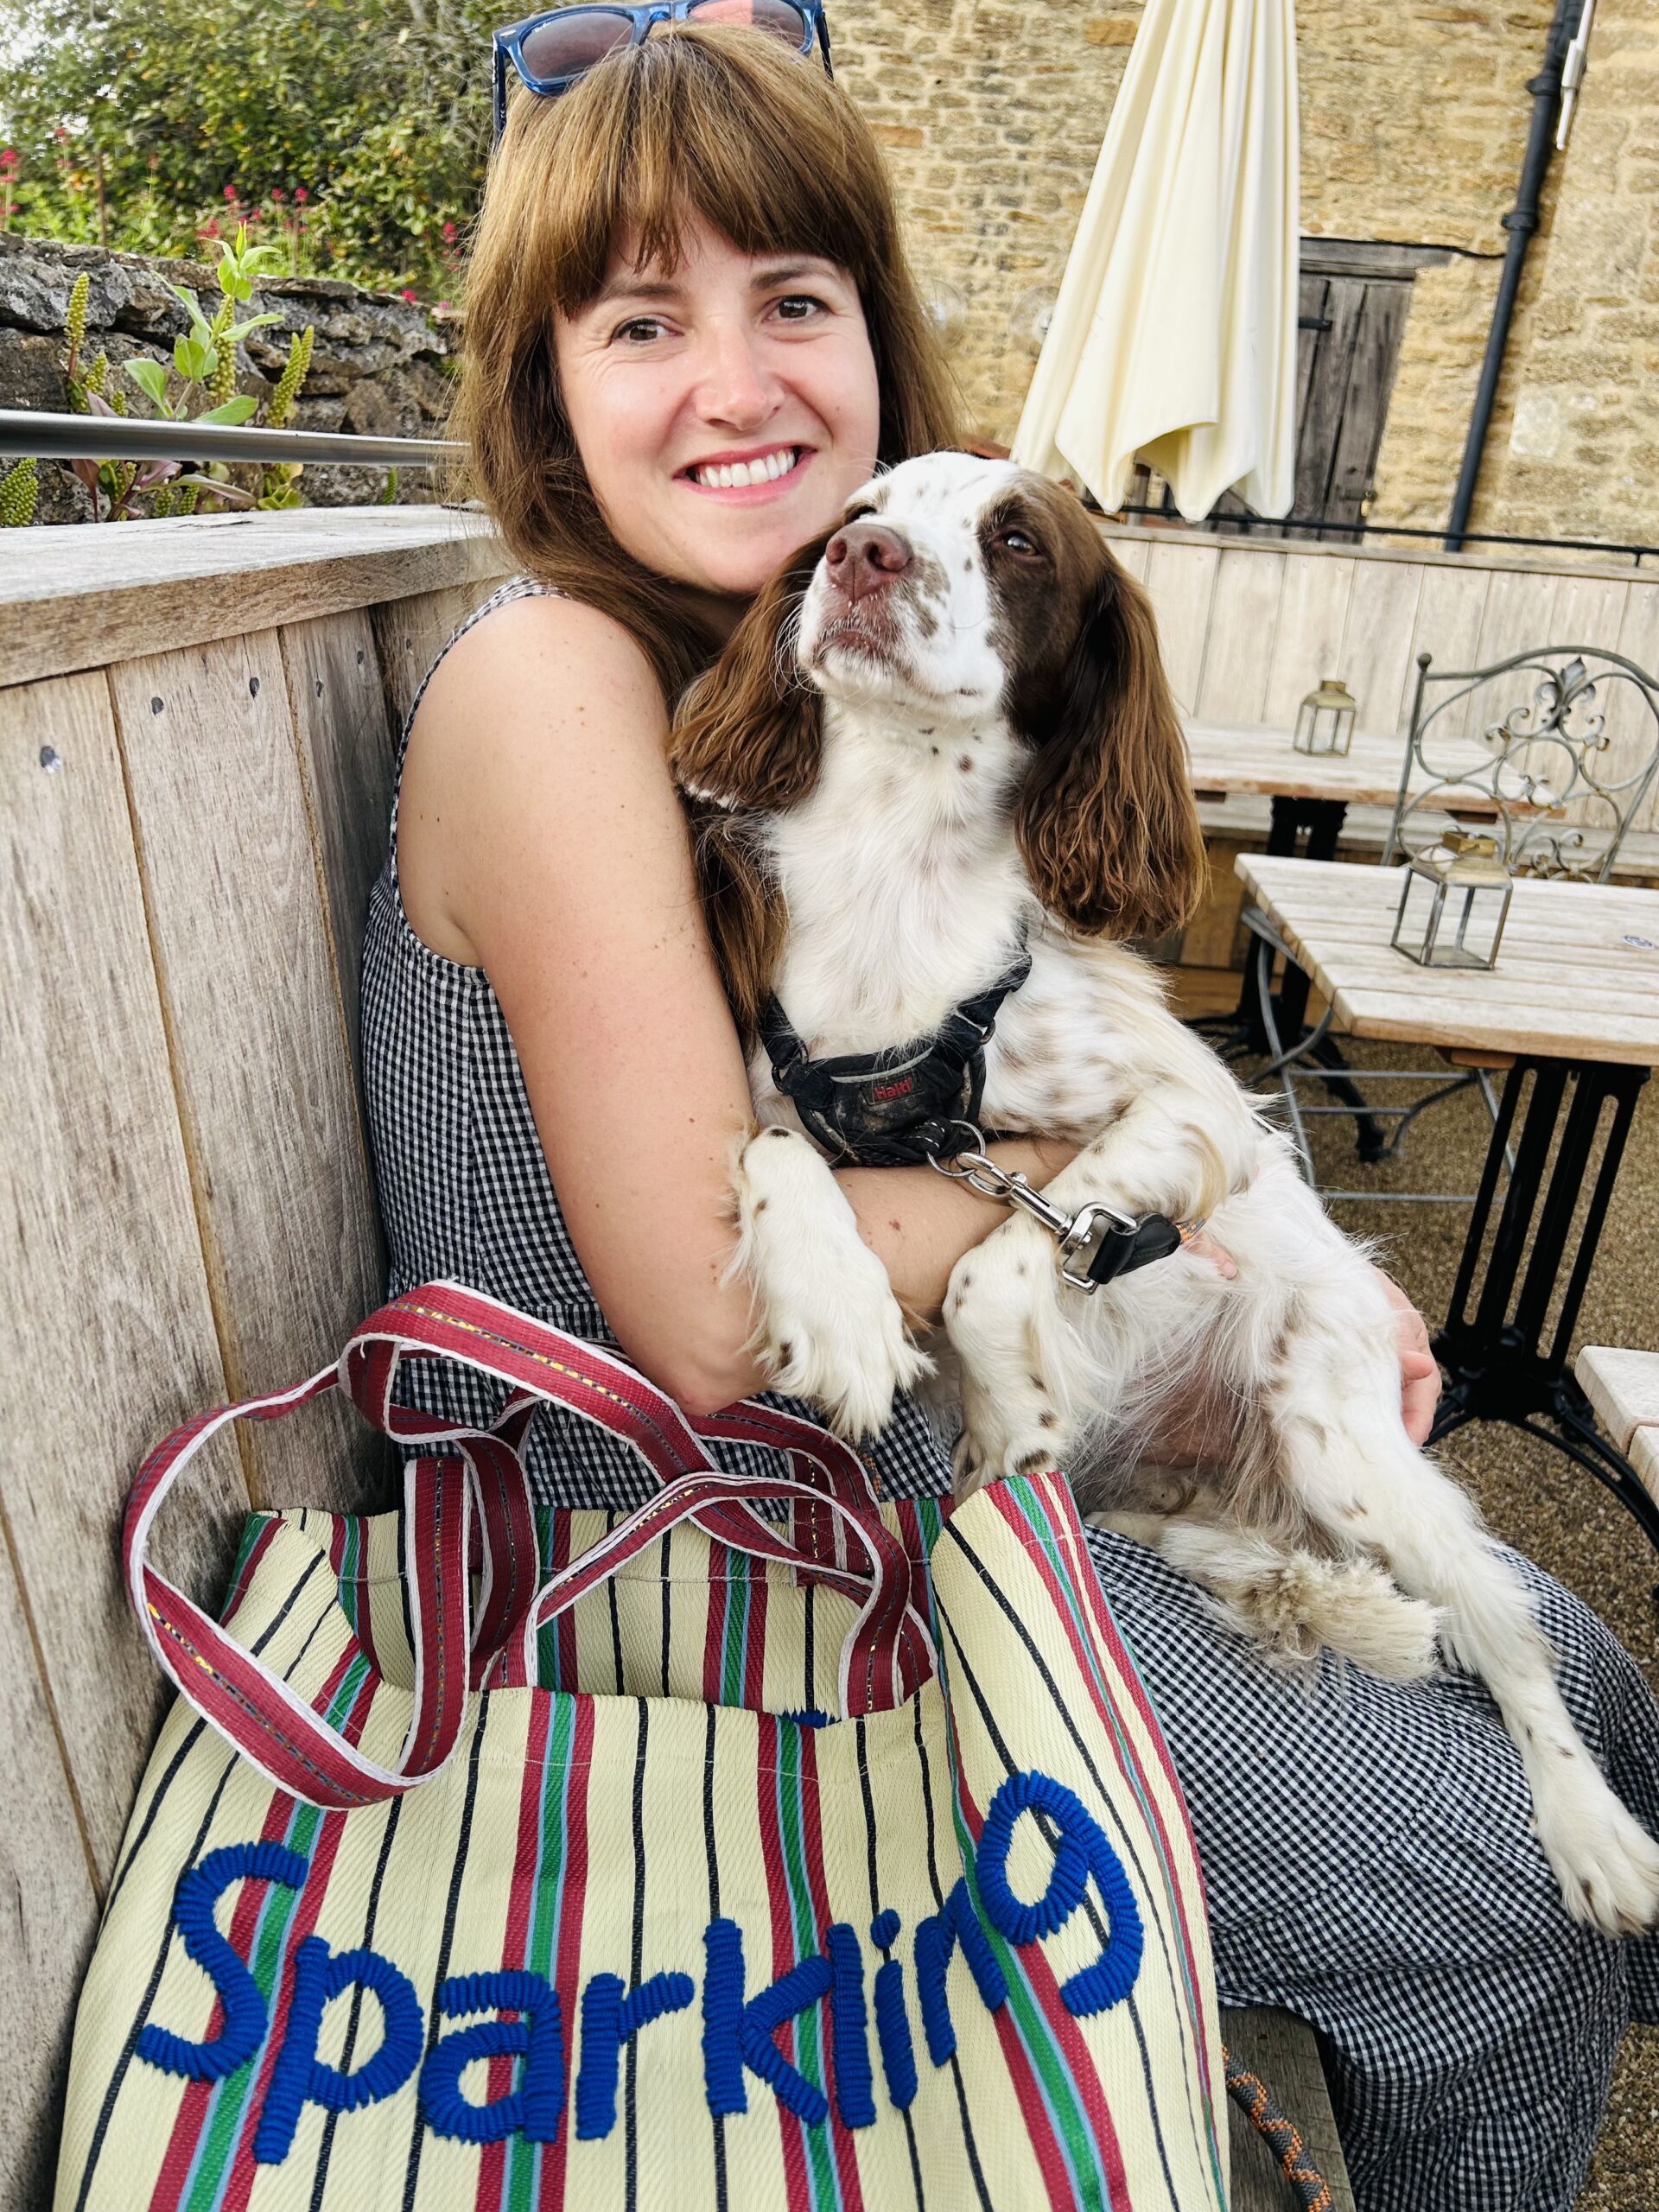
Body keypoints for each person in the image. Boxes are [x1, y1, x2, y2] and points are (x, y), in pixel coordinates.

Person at [359, 20, 1659, 2209]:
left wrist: (1251, 1258)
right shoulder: (554, 684)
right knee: (1492, 1892)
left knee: (1587, 1663)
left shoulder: (777, 692)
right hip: (720, 1534)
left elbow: (1055, 1044)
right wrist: (1122, 1213)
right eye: (641, 320)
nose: (738, 380)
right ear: (546, 385)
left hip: (914, 1439)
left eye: (794, 300)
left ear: (878, 336)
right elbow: (701, 1311)